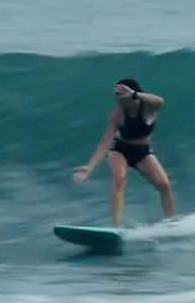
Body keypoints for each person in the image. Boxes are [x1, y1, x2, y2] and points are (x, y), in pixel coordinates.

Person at [72, 78, 175, 228]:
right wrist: (89, 167)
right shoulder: (118, 113)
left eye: (121, 95)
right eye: (116, 95)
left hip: (142, 151)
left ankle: (171, 223)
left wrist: (134, 94)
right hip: (120, 149)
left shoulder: (147, 108)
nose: (118, 99)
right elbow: (105, 141)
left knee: (164, 184)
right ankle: (116, 227)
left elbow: (160, 101)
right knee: (119, 177)